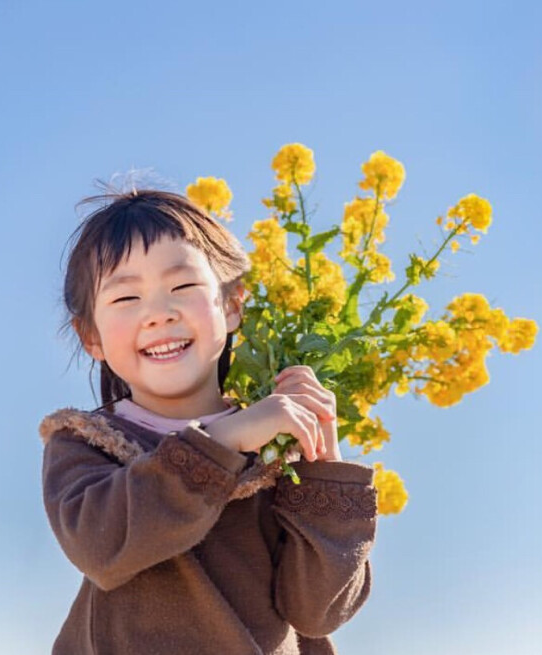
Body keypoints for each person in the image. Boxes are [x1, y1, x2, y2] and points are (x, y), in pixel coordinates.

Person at [39, 186, 378, 655]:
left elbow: (317, 610)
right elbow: (104, 548)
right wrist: (225, 439)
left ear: (233, 305)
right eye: (126, 298)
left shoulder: (274, 446)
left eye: (182, 287)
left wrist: (324, 464)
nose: (159, 314)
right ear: (91, 336)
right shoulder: (86, 442)